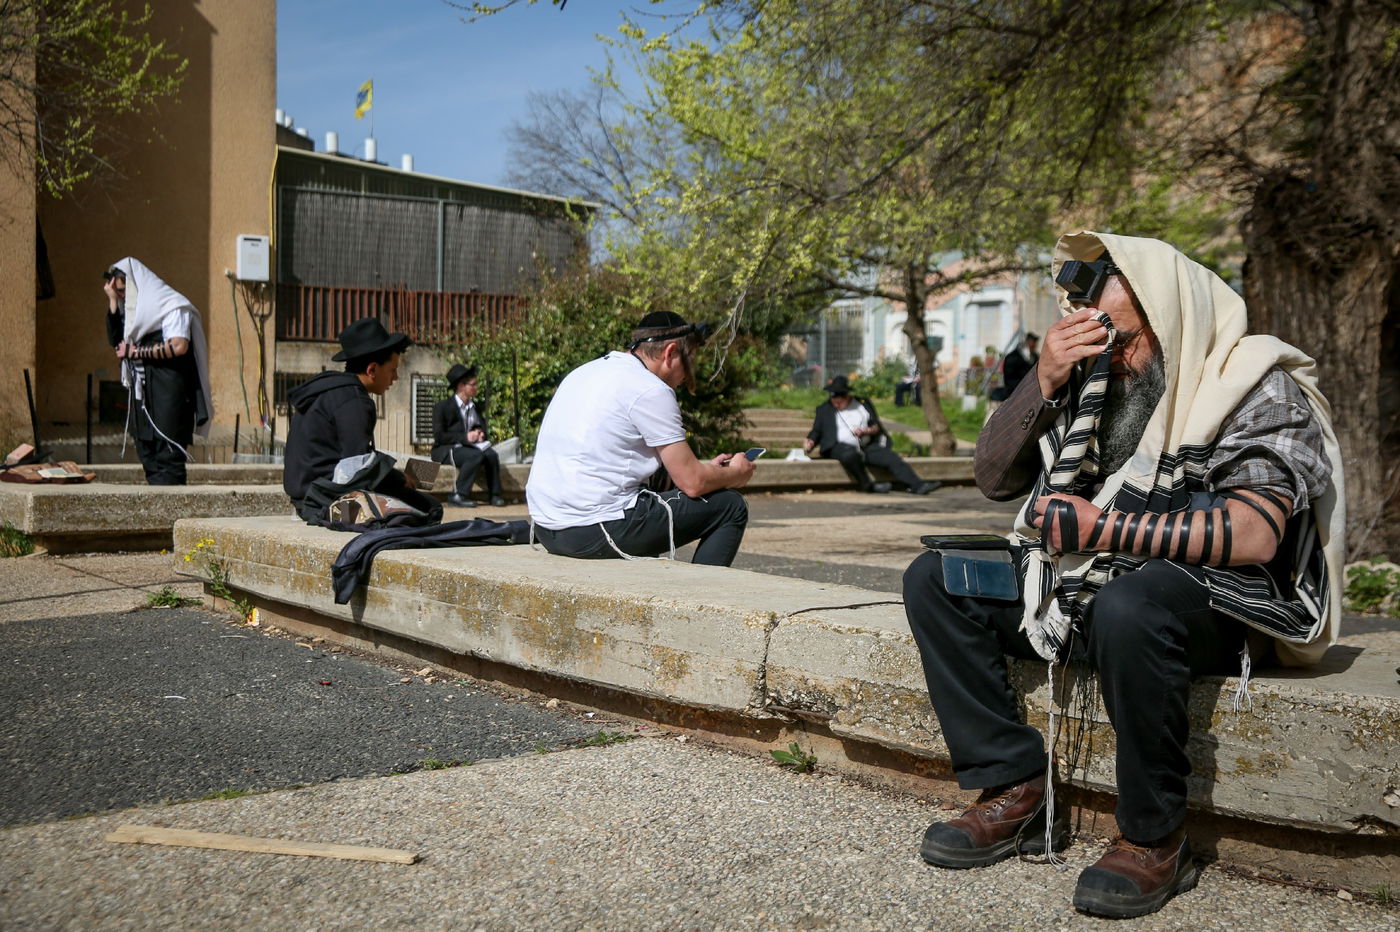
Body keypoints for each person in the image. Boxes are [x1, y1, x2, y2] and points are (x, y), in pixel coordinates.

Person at [901, 231, 1344, 919]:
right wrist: (1042, 380)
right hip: (1090, 584)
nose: (1114, 356)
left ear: (1173, 322)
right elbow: (992, 477)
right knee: (936, 577)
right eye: (1101, 339)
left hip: (1214, 603)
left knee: (1132, 606)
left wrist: (1105, 530)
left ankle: (1153, 837)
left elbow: (1255, 535)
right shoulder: (1096, 377)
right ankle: (1013, 786)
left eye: (1127, 339)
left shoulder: (1254, 384)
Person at [527, 311, 754, 566]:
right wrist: (736, 473)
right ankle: (702, 599)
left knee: (652, 490)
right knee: (730, 506)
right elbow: (693, 483)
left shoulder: (584, 372)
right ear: (670, 353)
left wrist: (708, 472)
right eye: (690, 361)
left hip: (548, 528)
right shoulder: (649, 388)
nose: (688, 375)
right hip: (596, 530)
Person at [282, 317, 439, 524]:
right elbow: (355, 471)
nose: (396, 378)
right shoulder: (355, 401)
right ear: (372, 370)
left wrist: (395, 478)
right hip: (329, 505)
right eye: (393, 370)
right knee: (429, 509)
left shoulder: (329, 391)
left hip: (306, 500)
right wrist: (399, 480)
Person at [103, 259, 213, 485]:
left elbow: (178, 345)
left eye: (123, 291)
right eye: (118, 293)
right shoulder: (135, 316)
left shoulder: (171, 306)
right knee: (148, 455)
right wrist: (113, 302)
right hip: (142, 396)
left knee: (168, 456)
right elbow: (117, 342)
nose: (122, 297)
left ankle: (174, 517)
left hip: (168, 394)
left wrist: (136, 352)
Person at [804, 375, 940, 495]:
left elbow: (876, 426)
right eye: (834, 401)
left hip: (866, 445)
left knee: (890, 457)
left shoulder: (863, 404)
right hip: (838, 447)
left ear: (847, 396)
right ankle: (867, 485)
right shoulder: (824, 409)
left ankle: (917, 485)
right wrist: (810, 441)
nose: (837, 404)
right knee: (849, 453)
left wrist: (866, 431)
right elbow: (816, 431)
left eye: (840, 401)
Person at [431, 364, 505, 508]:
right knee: (475, 456)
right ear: (461, 386)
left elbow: (479, 425)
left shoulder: (474, 407)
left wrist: (480, 433)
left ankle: (494, 494)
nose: (476, 388)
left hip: (470, 447)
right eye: (473, 385)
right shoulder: (443, 407)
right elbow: (440, 436)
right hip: (447, 449)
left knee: (491, 455)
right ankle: (458, 495)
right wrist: (465, 437)